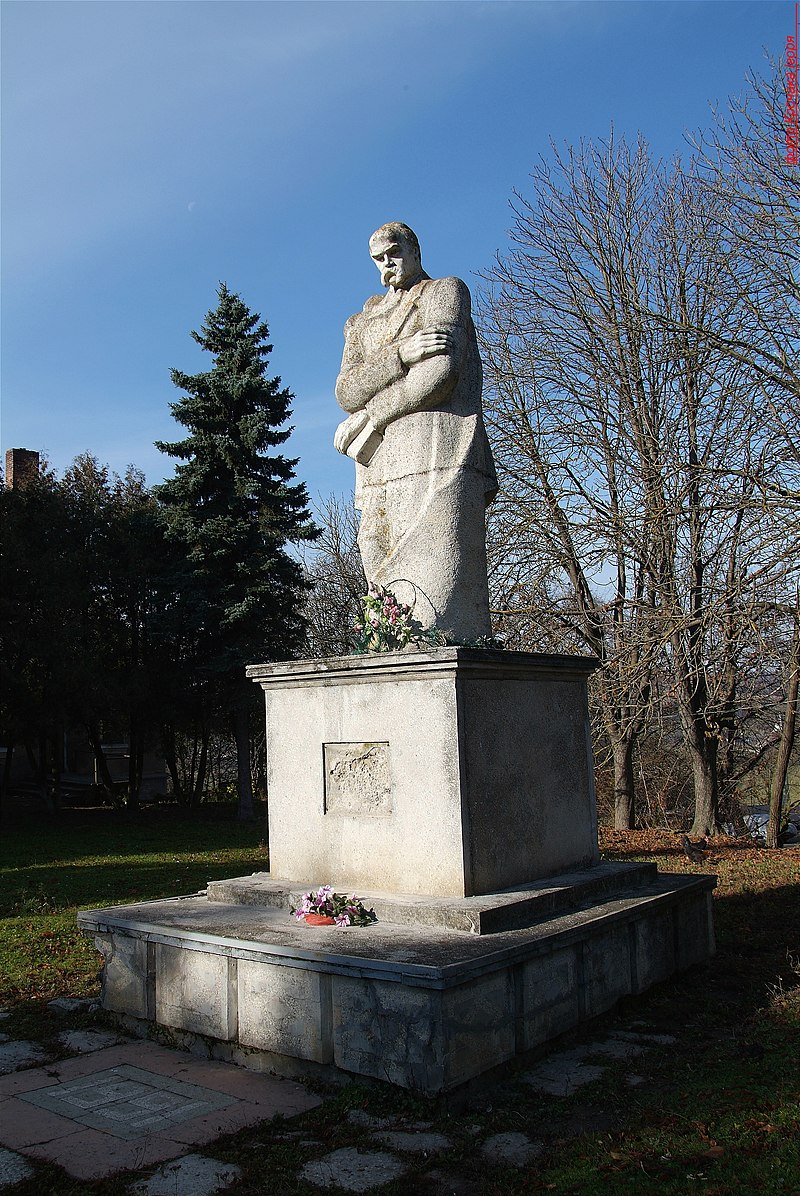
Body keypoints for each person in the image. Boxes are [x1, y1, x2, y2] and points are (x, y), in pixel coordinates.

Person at [334, 222, 497, 642]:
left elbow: (442, 373)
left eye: (394, 253)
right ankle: (387, 649)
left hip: (438, 446)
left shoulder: (444, 292)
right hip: (376, 461)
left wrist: (373, 415)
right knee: (374, 551)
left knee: (438, 584)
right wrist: (400, 354)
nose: (387, 264)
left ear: (414, 250)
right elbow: (346, 391)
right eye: (378, 259)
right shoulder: (361, 321)